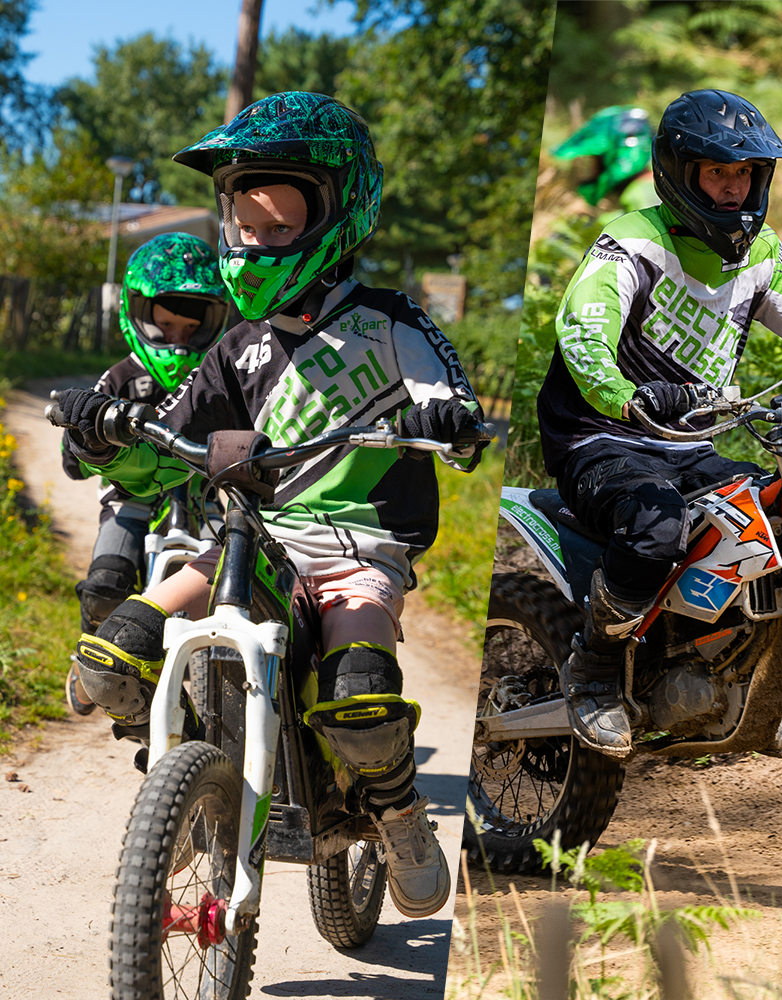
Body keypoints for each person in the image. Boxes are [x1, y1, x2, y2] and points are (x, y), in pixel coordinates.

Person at [58, 91, 486, 920]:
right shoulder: (237, 345)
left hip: (355, 550)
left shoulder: (389, 321)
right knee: (109, 664)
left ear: (338, 210)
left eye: (280, 219)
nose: (257, 239)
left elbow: (451, 398)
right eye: (244, 220)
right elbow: (170, 437)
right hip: (248, 542)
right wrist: (104, 430)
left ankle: (399, 815)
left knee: (361, 699)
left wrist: (447, 419)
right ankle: (190, 786)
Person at [536, 88, 782, 759]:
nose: (732, 188)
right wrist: (628, 395)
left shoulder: (760, 251)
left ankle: (734, 686)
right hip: (601, 436)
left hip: (690, 442)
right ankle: (594, 671)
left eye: (745, 173)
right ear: (679, 172)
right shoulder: (633, 243)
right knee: (657, 524)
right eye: (718, 172)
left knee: (770, 523)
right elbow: (582, 333)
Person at [63, 232, 228, 715]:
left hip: (208, 495)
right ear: (139, 315)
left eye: (190, 328)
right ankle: (90, 647)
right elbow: (75, 452)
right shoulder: (119, 377)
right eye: (166, 324)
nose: (177, 338)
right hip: (131, 495)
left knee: (236, 574)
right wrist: (82, 435)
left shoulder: (220, 375)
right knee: (106, 583)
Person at [550, 105, 657, 211]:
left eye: (595, 159)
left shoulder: (638, 197)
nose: (592, 170)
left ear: (615, 156)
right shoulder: (647, 188)